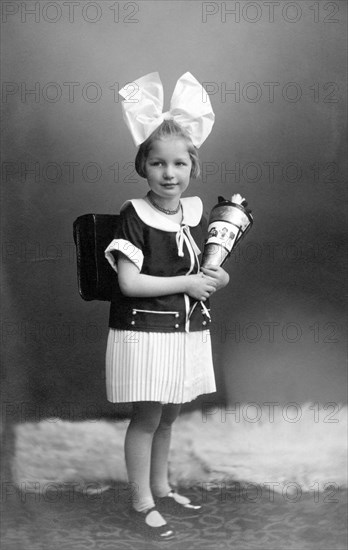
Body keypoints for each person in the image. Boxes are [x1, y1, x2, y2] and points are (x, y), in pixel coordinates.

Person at [104, 72, 230, 541]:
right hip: (145, 330)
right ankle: (141, 502)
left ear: (192, 166)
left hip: (187, 330)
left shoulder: (196, 213)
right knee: (148, 415)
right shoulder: (134, 215)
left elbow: (207, 269)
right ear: (144, 166)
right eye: (158, 164)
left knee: (172, 413)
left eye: (178, 163)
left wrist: (218, 276)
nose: (169, 173)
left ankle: (161, 486)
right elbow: (129, 282)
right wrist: (189, 282)